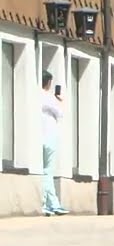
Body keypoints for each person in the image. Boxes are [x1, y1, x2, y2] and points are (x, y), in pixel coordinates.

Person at [40, 71, 68, 216]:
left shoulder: (35, 95)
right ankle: (46, 204)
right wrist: (60, 100)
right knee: (47, 171)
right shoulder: (48, 97)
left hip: (38, 137)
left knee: (45, 171)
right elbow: (61, 113)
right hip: (49, 137)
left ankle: (52, 203)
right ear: (49, 83)